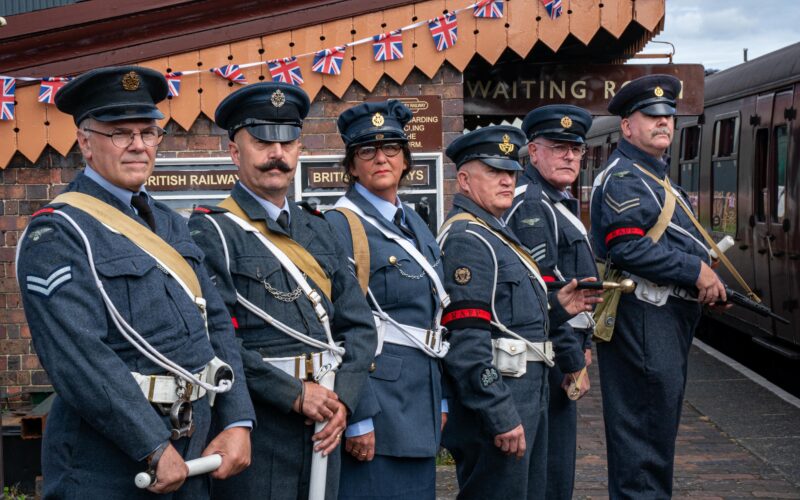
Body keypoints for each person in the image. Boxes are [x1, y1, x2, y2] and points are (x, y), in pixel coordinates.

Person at [15, 66, 255, 499]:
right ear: (85, 142)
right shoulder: (58, 232)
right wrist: (151, 443)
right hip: (106, 465)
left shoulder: (169, 223)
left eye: (148, 132)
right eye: (120, 133)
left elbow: (215, 324)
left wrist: (237, 419)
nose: (139, 146)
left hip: (190, 448)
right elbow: (79, 358)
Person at [187, 82, 377, 499]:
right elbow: (218, 341)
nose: (277, 154)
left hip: (326, 422)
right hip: (263, 428)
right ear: (235, 153)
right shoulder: (212, 231)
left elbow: (359, 326)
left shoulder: (320, 227)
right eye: (261, 143)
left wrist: (342, 400)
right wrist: (294, 395)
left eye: (287, 142)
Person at [438, 125, 598, 499]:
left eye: (510, 172)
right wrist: (499, 413)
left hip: (526, 394)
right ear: (464, 179)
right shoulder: (468, 240)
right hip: (504, 401)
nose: (507, 181)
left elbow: (508, 322)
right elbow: (468, 344)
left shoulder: (493, 232)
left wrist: (557, 307)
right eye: (494, 172)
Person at [590, 74, 726, 499]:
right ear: (627, 126)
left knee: (654, 437)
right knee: (644, 441)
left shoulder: (652, 175)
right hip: (646, 319)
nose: (664, 122)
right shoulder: (626, 178)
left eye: (668, 116)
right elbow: (627, 247)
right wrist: (695, 270)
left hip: (661, 320)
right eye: (651, 116)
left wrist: (702, 267)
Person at [325, 100, 449, 500]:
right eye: (367, 151)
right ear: (352, 165)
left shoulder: (412, 221)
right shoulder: (339, 225)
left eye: (391, 148)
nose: (381, 158)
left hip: (421, 399)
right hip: (379, 406)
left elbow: (432, 316)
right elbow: (338, 328)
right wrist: (358, 416)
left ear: (405, 158)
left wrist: (442, 395)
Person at [505, 104, 597, 499]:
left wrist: (585, 344)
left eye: (575, 150)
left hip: (564, 351)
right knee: (550, 476)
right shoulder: (531, 205)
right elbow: (544, 298)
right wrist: (573, 361)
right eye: (558, 148)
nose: (569, 157)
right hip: (550, 359)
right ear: (533, 151)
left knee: (556, 472)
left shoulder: (555, 200)